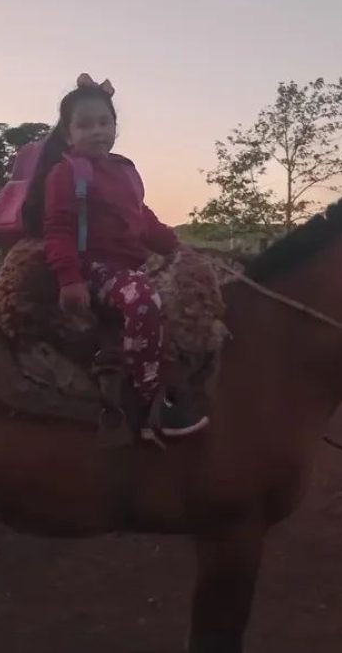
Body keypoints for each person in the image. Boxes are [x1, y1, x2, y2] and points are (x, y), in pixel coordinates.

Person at [21, 74, 209, 440]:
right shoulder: (65, 173)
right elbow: (57, 230)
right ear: (68, 133)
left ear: (115, 127)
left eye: (104, 122)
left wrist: (179, 249)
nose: (97, 131)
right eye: (85, 125)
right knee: (142, 301)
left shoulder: (125, 171)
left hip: (130, 265)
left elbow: (144, 219)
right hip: (92, 265)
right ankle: (150, 405)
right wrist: (70, 279)